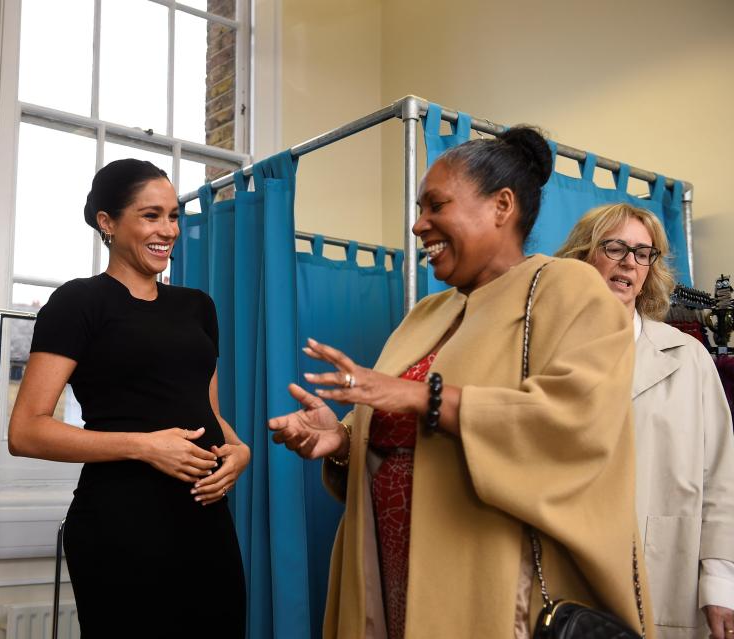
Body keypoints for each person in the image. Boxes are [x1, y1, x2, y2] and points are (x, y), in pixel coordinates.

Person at [268, 128, 652, 638]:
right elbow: (395, 437)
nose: (418, 224)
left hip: (489, 590)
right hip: (390, 575)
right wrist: (341, 439)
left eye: (436, 206)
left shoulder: (567, 287)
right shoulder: (426, 313)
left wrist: (420, 396)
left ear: (502, 205)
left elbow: (577, 422)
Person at [8, 159, 248, 637]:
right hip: (122, 524)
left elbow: (208, 412)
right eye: (151, 215)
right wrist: (145, 445)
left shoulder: (198, 307)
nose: (169, 230)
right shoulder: (79, 303)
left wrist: (239, 450)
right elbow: (26, 430)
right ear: (107, 222)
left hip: (205, 521)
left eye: (174, 215)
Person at [558, 203, 734, 639]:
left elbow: (721, 476)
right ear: (583, 257)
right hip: (570, 569)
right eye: (614, 247)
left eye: (642, 253)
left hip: (667, 570)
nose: (629, 263)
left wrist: (719, 581)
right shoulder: (548, 350)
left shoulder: (687, 357)